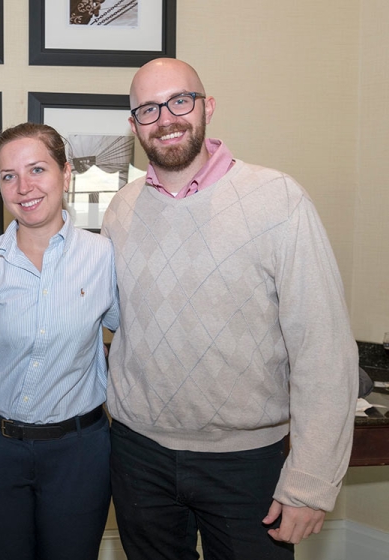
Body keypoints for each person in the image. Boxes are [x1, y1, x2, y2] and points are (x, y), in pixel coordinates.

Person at [101, 58, 358, 559]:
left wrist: (311, 481)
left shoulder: (278, 199)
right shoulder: (122, 208)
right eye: (148, 109)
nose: (166, 119)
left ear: (208, 107)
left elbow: (324, 348)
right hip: (138, 456)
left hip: (246, 463)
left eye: (180, 101)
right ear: (133, 126)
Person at [0, 122, 119, 560]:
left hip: (80, 452)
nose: (24, 187)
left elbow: (136, 334)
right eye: (9, 176)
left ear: (66, 173)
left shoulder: (104, 257)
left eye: (37, 169)